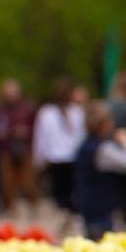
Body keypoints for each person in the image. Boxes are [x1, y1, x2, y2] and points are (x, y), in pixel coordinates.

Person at [73, 101, 126, 239]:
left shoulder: (84, 145)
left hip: (88, 205)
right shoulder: (103, 149)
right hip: (102, 208)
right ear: (105, 124)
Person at [31, 79, 87, 225]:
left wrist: (39, 159)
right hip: (71, 158)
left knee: (60, 192)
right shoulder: (76, 112)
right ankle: (68, 216)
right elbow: (81, 137)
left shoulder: (46, 113)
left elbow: (40, 138)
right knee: (70, 190)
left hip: (55, 159)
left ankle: (65, 216)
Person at [0, 80, 38, 210]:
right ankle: (10, 207)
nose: (10, 94)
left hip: (24, 148)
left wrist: (26, 131)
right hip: (6, 148)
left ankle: (33, 204)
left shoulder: (28, 108)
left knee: (29, 179)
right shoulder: (1, 110)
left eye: (12, 91)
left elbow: (36, 128)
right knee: (7, 180)